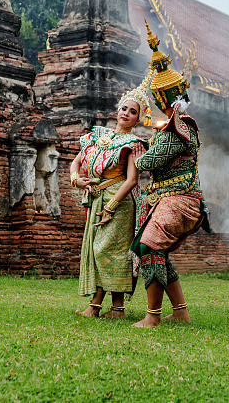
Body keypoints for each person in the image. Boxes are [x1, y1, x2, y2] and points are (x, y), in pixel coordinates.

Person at [130, 20, 211, 328]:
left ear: (164, 98)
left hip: (181, 199)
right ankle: (180, 311)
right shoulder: (174, 125)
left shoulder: (179, 128)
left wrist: (137, 159)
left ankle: (152, 317)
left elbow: (152, 160)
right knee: (157, 252)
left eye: (157, 98)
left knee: (148, 246)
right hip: (170, 198)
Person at [70, 72, 152, 319]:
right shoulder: (97, 136)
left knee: (107, 251)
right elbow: (75, 164)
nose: (126, 113)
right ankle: (116, 309)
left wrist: (112, 206)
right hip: (97, 198)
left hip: (119, 201)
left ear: (139, 119)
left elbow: (132, 180)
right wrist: (77, 180)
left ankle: (95, 307)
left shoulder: (134, 143)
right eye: (124, 108)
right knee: (102, 251)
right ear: (118, 110)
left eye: (133, 112)